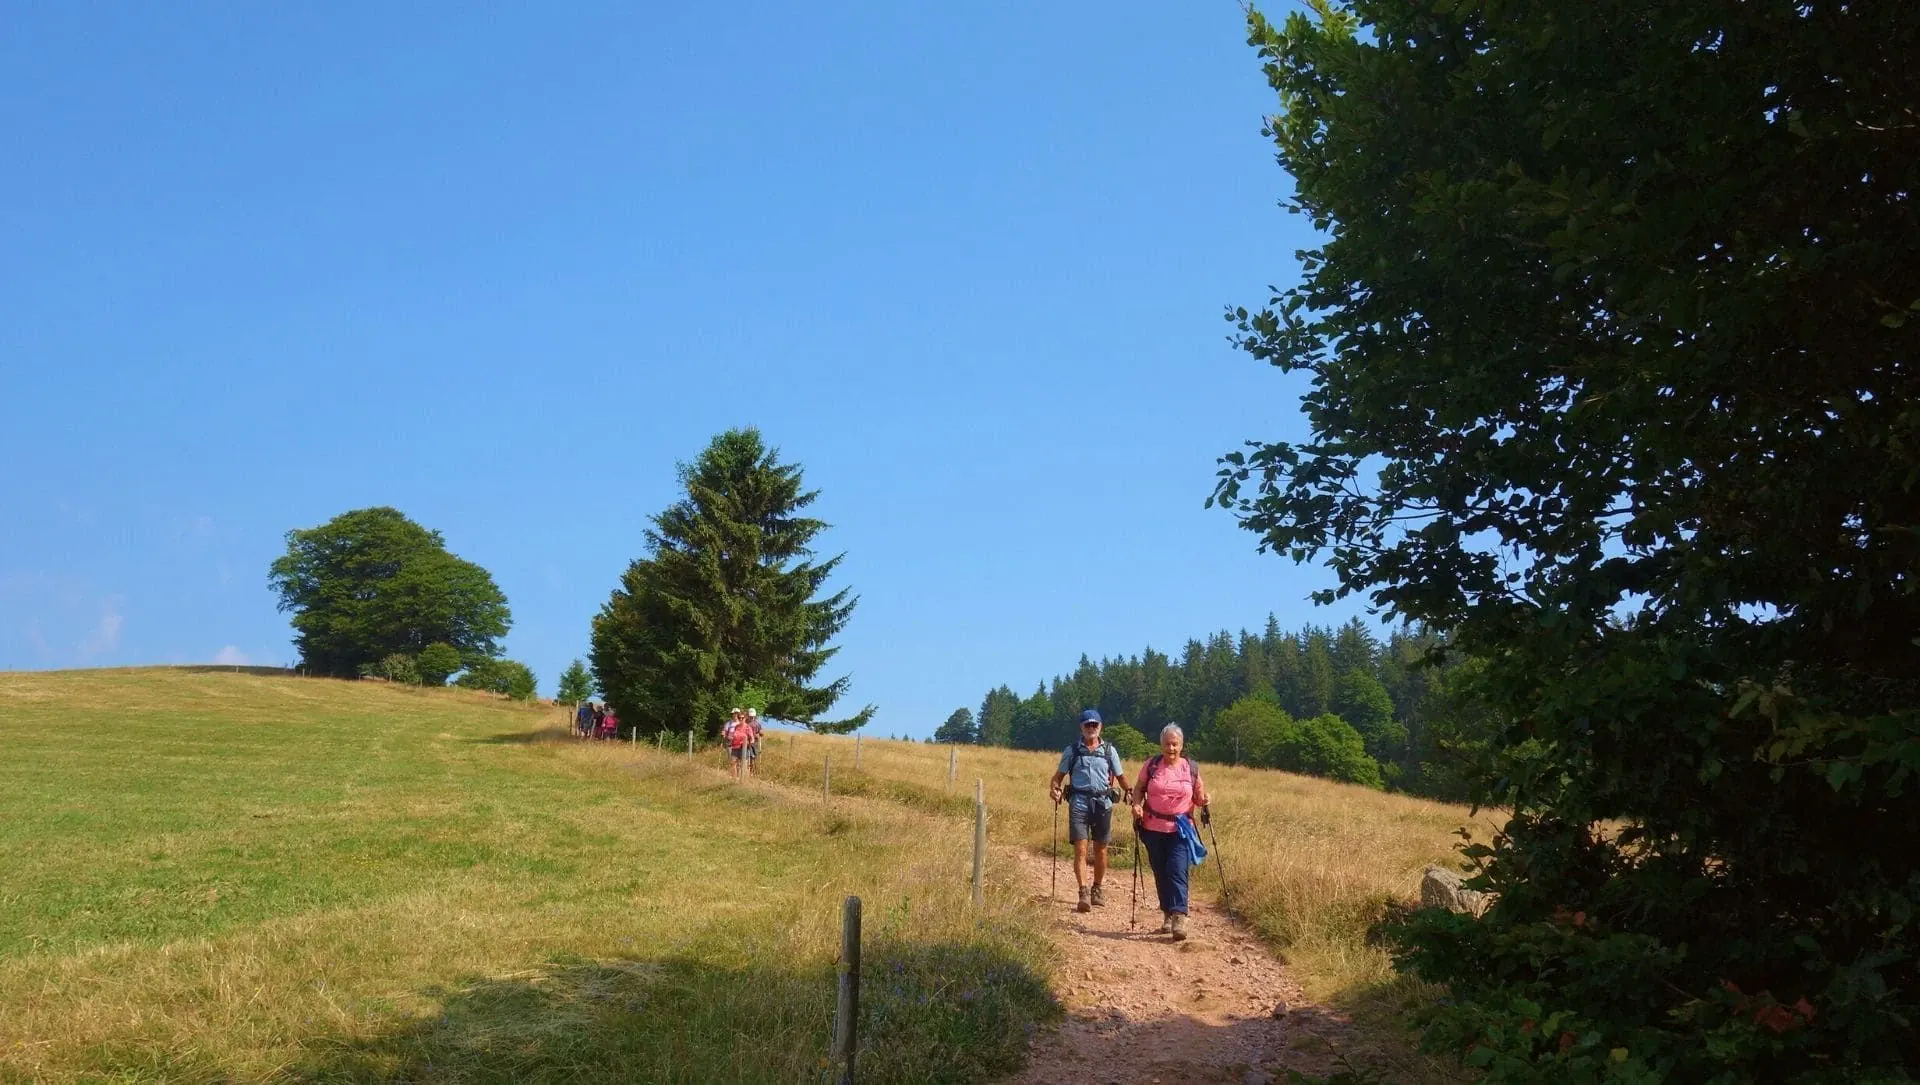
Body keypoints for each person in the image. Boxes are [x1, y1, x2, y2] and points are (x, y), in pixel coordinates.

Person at [1129, 722, 1210, 940]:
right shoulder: (1152, 765)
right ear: (1161, 745)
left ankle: (1179, 916)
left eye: (1175, 744)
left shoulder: (1190, 768)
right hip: (1152, 828)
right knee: (1160, 871)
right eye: (1167, 744)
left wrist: (1204, 800)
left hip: (1180, 829)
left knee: (1177, 869)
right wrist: (1136, 804)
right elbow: (1139, 788)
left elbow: (1199, 797)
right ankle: (1167, 912)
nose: (1171, 748)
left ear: (1181, 745)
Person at [1048, 709, 1127, 913]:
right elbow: (1058, 777)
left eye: (1094, 724)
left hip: (1103, 803)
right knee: (1081, 849)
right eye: (1087, 724)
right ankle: (1083, 891)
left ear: (1100, 726)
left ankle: (1097, 889)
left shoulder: (1109, 751)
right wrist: (1055, 789)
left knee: (1101, 849)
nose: (1091, 728)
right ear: (1081, 727)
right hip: (1079, 803)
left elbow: (1120, 777)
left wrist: (1130, 792)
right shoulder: (1072, 751)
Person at [746, 708, 763, 775]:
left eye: (753, 716)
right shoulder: (745, 722)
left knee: (753, 757)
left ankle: (752, 772)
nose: (751, 717)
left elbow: (760, 731)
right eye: (750, 716)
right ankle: (746, 771)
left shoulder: (757, 724)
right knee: (747, 756)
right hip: (746, 742)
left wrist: (761, 733)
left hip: (754, 742)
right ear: (748, 715)